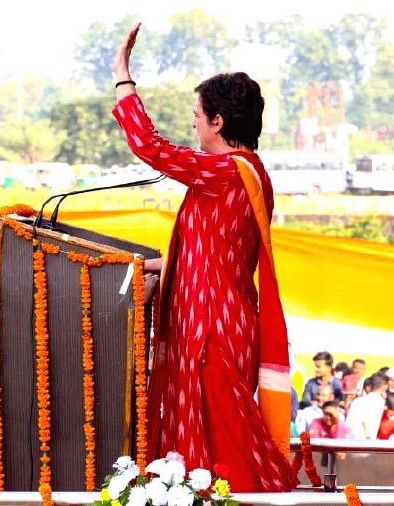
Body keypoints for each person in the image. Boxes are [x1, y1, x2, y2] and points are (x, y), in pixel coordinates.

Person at [112, 23, 295, 492]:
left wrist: (122, 77)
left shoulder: (227, 172)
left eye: (197, 115)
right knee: (212, 452)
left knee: (225, 452)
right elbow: (210, 252)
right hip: (221, 322)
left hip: (212, 331)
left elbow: (149, 147)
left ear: (218, 122)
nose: (193, 123)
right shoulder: (250, 173)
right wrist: (147, 265)